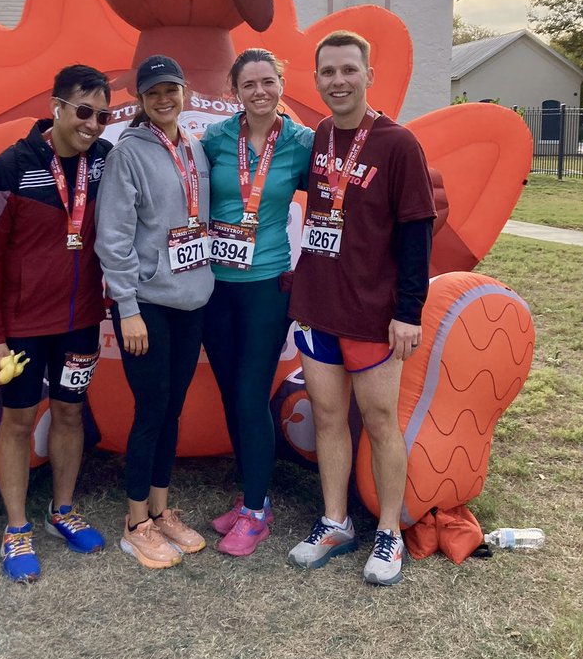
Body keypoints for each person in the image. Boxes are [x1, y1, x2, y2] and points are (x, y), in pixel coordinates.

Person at [287, 31, 435, 586]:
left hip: (375, 313)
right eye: (328, 72)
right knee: (327, 417)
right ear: (318, 79)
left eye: (349, 70)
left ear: (368, 75)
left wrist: (409, 310)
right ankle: (335, 521)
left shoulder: (398, 144)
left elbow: (417, 231)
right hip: (320, 304)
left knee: (378, 422)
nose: (339, 81)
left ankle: (389, 531)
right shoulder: (321, 134)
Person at [0, 64, 114, 583]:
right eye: (83, 111)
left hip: (80, 323)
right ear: (55, 106)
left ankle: (63, 510)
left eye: (103, 114)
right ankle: (15, 528)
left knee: (70, 414)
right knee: (18, 420)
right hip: (22, 328)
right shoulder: (10, 166)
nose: (93, 124)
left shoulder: (105, 163)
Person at [95, 55, 214, 569]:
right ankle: (135, 522)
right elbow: (113, 238)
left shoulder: (193, 147)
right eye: (153, 93)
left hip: (191, 301)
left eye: (171, 89)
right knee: (150, 412)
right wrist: (127, 309)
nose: (164, 99)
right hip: (146, 306)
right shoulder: (129, 154)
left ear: (184, 91)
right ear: (140, 101)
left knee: (172, 410)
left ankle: (162, 511)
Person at [201, 48, 314, 556]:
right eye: (249, 85)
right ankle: (253, 500)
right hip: (213, 286)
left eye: (268, 81)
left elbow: (341, 192)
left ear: (281, 84)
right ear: (235, 92)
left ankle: (255, 509)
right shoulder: (214, 139)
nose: (260, 91)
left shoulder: (301, 143)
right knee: (231, 393)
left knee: (250, 394)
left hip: (267, 285)